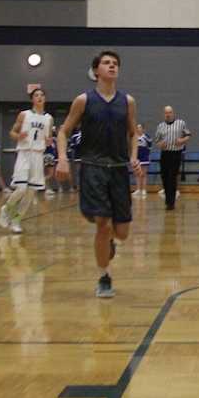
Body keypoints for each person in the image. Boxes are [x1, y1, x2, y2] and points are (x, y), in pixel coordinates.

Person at [55, 51, 139, 298]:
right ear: (96, 71)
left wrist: (133, 156)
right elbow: (63, 132)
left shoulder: (128, 102)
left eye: (115, 64)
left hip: (119, 170)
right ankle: (104, 277)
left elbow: (133, 133)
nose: (112, 66)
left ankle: (109, 241)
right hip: (93, 167)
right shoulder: (83, 100)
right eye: (106, 63)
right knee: (102, 223)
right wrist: (62, 159)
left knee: (122, 232)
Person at [0, 88, 53, 234]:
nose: (40, 97)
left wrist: (49, 141)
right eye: (36, 95)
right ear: (32, 99)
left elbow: (48, 139)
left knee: (30, 193)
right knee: (21, 188)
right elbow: (12, 132)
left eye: (42, 95)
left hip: (38, 155)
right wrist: (18, 136)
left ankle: (16, 221)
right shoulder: (24, 115)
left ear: (45, 98)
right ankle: (7, 208)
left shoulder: (49, 118)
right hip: (24, 153)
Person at [153, 106, 191, 210]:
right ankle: (167, 199)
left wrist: (182, 141)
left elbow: (188, 135)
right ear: (163, 114)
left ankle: (171, 202)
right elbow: (156, 140)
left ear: (173, 113)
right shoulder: (160, 126)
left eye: (169, 112)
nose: (168, 114)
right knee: (164, 177)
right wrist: (160, 144)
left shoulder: (181, 123)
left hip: (176, 153)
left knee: (172, 177)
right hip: (165, 154)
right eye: (166, 113)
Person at [134, 123, 151, 196]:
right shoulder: (134, 137)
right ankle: (138, 189)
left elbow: (150, 147)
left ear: (143, 129)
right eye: (137, 128)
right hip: (137, 156)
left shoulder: (146, 137)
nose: (138, 129)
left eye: (140, 128)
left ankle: (144, 190)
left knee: (143, 174)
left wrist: (148, 156)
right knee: (137, 174)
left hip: (144, 156)